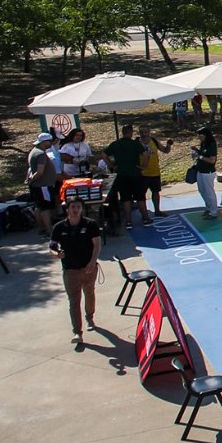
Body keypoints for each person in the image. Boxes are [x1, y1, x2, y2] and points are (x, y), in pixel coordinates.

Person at [48, 196, 103, 351]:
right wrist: (55, 253)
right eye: (73, 206)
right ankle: (77, 332)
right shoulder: (59, 227)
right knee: (74, 301)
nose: (75, 209)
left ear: (81, 208)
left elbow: (97, 244)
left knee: (90, 294)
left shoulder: (90, 224)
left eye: (78, 206)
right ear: (67, 209)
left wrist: (93, 261)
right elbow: (52, 244)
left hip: (88, 268)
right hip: (70, 270)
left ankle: (90, 318)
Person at [103, 124, 147, 231]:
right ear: (131, 132)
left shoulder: (116, 144)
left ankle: (128, 221)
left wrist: (112, 166)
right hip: (136, 174)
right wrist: (144, 166)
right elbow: (146, 154)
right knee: (140, 197)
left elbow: (104, 155)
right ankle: (145, 218)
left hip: (122, 175)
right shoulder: (135, 144)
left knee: (125, 199)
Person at [136, 125, 175, 219]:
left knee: (156, 192)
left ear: (149, 132)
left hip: (155, 172)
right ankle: (144, 215)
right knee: (141, 195)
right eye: (141, 132)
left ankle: (157, 211)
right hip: (142, 174)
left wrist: (169, 145)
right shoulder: (136, 143)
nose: (143, 134)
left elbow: (165, 151)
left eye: (145, 132)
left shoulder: (154, 141)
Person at [25, 134, 59, 235]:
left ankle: (42, 227)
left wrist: (30, 181)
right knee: (46, 208)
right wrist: (31, 181)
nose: (51, 143)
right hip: (43, 186)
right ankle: (49, 230)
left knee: (39, 207)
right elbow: (39, 172)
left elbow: (31, 169)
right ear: (44, 142)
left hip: (38, 186)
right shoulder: (41, 154)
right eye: (50, 141)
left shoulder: (33, 151)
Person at [191, 124, 220, 219]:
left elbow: (212, 160)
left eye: (200, 135)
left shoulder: (211, 144)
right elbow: (202, 154)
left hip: (208, 172)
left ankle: (213, 211)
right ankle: (208, 208)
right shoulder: (203, 144)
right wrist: (196, 151)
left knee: (209, 192)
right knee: (202, 190)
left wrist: (199, 157)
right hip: (200, 170)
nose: (199, 137)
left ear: (205, 135)